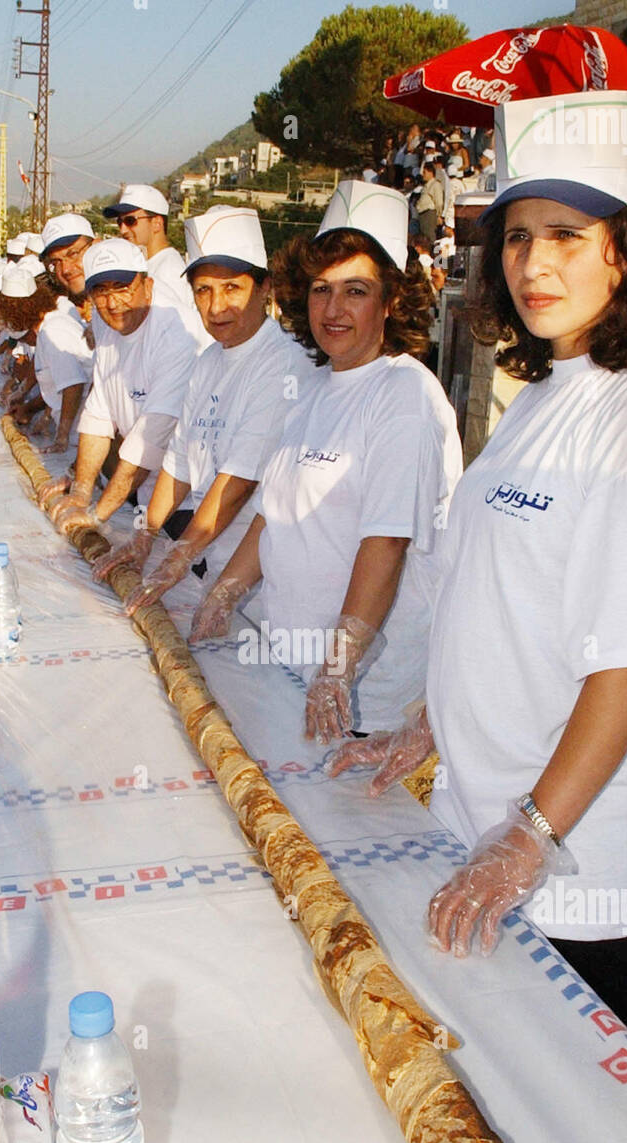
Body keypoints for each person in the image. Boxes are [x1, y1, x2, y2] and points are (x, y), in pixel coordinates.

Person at [328, 92, 627, 1045]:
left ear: (626, 249)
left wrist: (530, 838)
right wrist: (428, 725)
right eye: (516, 236)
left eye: (566, 233)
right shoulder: (556, 383)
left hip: (578, 846)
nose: (534, 263)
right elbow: (504, 602)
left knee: (574, 1103)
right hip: (499, 807)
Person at [189, 181, 462, 740]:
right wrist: (222, 596)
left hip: (360, 694)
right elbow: (271, 514)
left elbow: (385, 543)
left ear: (390, 300)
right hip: (291, 665)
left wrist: (338, 671)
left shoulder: (404, 395)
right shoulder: (312, 388)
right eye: (320, 290)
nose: (333, 310)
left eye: (355, 291)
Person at [91, 205, 311, 612]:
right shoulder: (209, 360)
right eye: (203, 290)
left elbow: (238, 483)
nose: (216, 307)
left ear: (265, 289)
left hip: (260, 582)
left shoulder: (283, 363)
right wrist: (145, 534)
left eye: (232, 288)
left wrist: (175, 559)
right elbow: (178, 462)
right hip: (209, 561)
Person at [47, 238, 199, 534]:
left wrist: (97, 514)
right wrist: (81, 491)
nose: (113, 303)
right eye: (101, 292)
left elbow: (151, 436)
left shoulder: (176, 334)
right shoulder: (109, 324)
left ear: (148, 285)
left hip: (186, 502)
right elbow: (98, 414)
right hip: (141, 489)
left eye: (123, 288)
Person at [0, 263, 94, 454]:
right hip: (76, 432)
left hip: (81, 434)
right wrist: (29, 408)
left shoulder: (54, 330)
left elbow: (73, 386)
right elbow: (58, 385)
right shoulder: (46, 329)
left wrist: (62, 437)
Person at [104, 183, 196, 314]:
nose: (123, 230)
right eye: (120, 222)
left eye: (130, 221)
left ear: (157, 223)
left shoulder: (169, 271)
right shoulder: (150, 264)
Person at [415, 161, 453, 244]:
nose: (423, 174)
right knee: (424, 238)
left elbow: (439, 202)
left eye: (424, 172)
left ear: (430, 172)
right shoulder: (426, 185)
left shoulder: (435, 184)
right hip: (423, 214)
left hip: (430, 214)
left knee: (430, 238)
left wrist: (439, 215)